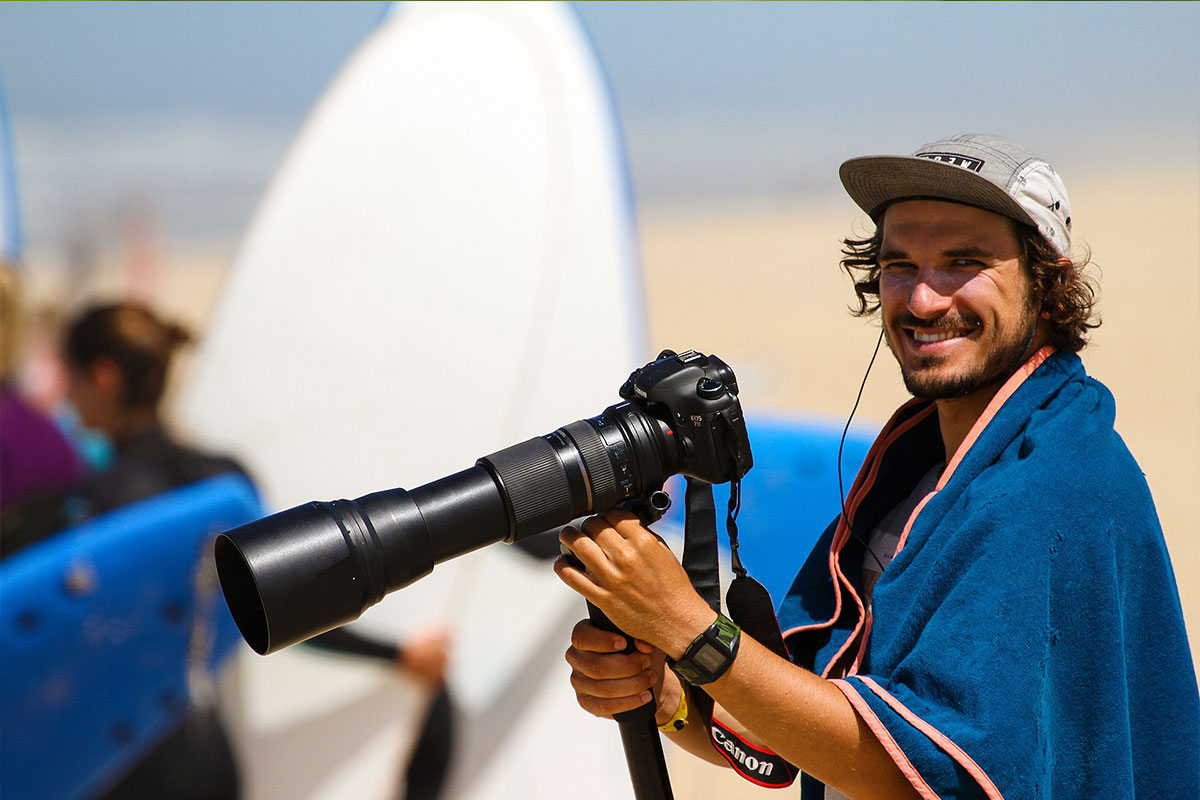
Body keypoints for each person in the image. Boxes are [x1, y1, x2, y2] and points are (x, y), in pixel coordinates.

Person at [554, 134, 1199, 799]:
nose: (922, 301)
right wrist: (668, 697)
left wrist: (690, 630)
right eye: (899, 265)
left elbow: (917, 773)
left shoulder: (1051, 482)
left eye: (963, 261)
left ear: (1046, 283)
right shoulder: (918, 475)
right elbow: (810, 738)